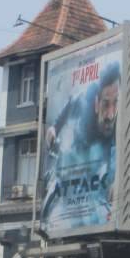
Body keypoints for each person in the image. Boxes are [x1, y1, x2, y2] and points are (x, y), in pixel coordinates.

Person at [41, 61, 119, 230]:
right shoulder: (83, 101)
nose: (111, 114)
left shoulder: (118, 119)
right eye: (106, 104)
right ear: (96, 103)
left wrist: (116, 179)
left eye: (115, 103)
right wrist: (54, 128)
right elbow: (66, 110)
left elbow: (116, 150)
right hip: (76, 153)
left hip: (98, 164)